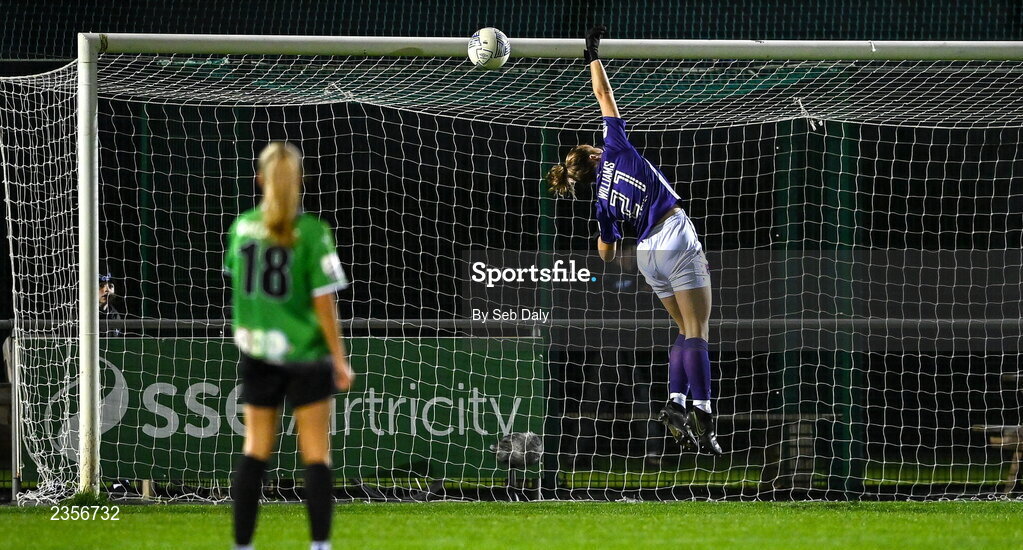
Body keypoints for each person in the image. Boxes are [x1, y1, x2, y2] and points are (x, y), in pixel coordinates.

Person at [545, 26, 722, 456]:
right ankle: (703, 408)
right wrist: (592, 53)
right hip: (673, 234)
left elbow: (605, 253)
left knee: (682, 330)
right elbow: (604, 95)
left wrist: (608, 240)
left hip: (646, 255)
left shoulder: (601, 202)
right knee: (697, 329)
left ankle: (676, 402)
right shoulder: (617, 149)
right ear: (592, 156)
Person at [224, 142, 355, 550]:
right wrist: (340, 359)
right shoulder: (313, 232)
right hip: (306, 356)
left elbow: (243, 293)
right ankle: (319, 545)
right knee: (316, 453)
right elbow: (323, 302)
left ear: (259, 178)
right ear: (298, 180)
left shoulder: (242, 229)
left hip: (259, 352)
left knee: (255, 450)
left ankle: (242, 546)